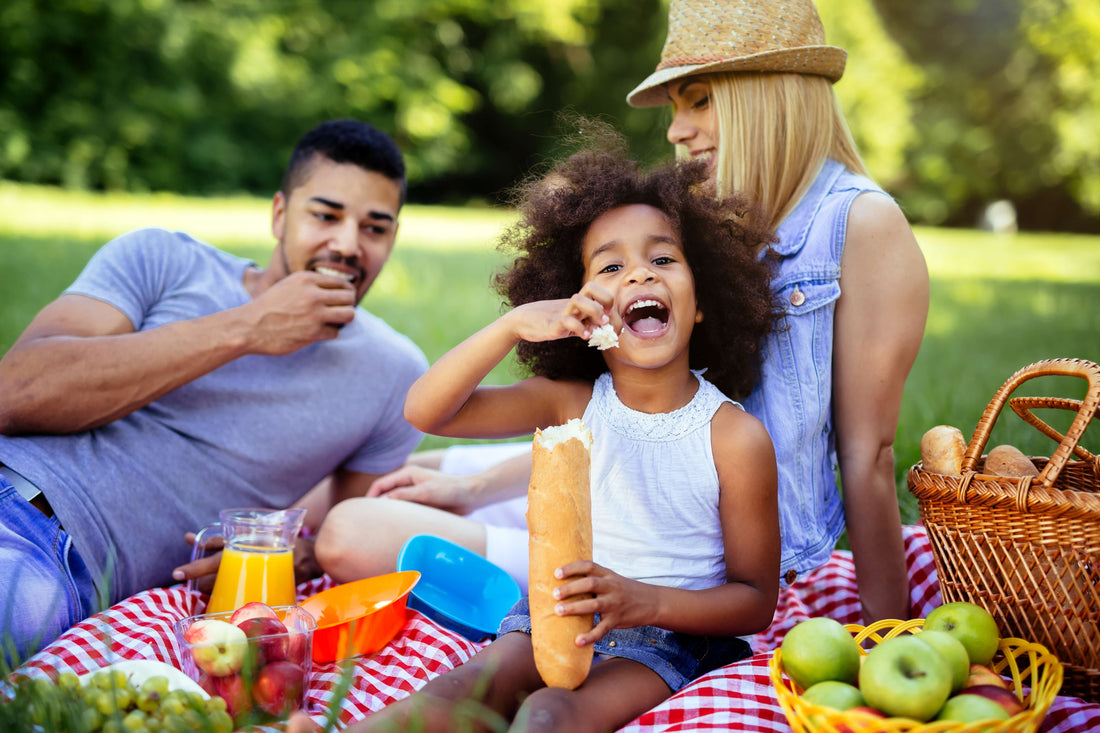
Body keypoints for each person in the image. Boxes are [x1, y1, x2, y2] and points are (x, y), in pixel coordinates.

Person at [316, 0, 928, 626]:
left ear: (766, 94)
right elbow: (637, 426)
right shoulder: (712, 212)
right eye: (676, 109)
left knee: (351, 529)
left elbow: (868, 456)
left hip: (668, 556)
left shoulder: (859, 224)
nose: (675, 132)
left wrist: (886, 630)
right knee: (388, 474)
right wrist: (475, 488)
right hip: (614, 480)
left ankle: (526, 590)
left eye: (698, 100)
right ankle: (256, 536)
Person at [337, 135, 781, 733]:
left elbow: (755, 601)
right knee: (469, 685)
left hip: (675, 636)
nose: (639, 275)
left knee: (549, 713)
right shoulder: (570, 404)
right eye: (611, 266)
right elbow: (427, 412)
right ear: (583, 303)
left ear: (703, 300)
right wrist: (515, 327)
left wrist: (642, 601)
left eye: (663, 259)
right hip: (558, 612)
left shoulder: (736, 437)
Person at [0, 119, 428, 662]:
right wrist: (249, 328)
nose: (346, 245)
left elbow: (341, 530)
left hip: (63, 569)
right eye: (324, 215)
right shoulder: (163, 260)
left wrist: (298, 554)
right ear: (280, 214)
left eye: (375, 228)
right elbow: (14, 395)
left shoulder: (394, 376)